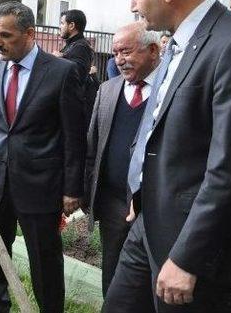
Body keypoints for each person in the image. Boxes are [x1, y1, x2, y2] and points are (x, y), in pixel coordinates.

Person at [103, 0, 231, 312]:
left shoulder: (229, 43)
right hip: (147, 223)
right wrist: (139, 192)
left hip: (188, 245)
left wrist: (188, 258)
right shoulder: (178, 41)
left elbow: (227, 166)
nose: (133, 6)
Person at [0, 1, 85, 313]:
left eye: (5, 35)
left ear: (29, 34)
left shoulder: (61, 72)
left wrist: (72, 189)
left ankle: (50, 308)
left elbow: (74, 135)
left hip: (40, 183)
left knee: (44, 255)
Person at [83, 22, 160, 297]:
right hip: (113, 203)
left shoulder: (171, 90)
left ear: (153, 50)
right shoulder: (108, 89)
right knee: (113, 277)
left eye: (126, 51)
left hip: (155, 208)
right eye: (115, 53)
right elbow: (92, 147)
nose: (119, 60)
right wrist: (86, 194)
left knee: (151, 282)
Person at [54, 9, 95, 126]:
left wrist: (59, 59)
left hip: (73, 106)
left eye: (62, 23)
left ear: (71, 25)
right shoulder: (72, 45)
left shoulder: (81, 46)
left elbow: (79, 73)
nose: (60, 27)